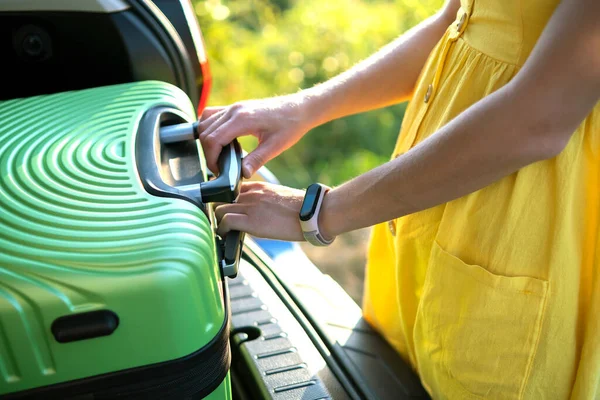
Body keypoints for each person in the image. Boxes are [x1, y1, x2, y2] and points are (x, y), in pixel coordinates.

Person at [198, 0, 599, 398]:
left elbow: (539, 119)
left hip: (520, 236)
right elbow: (457, 22)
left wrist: (321, 211)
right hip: (420, 208)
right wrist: (303, 108)